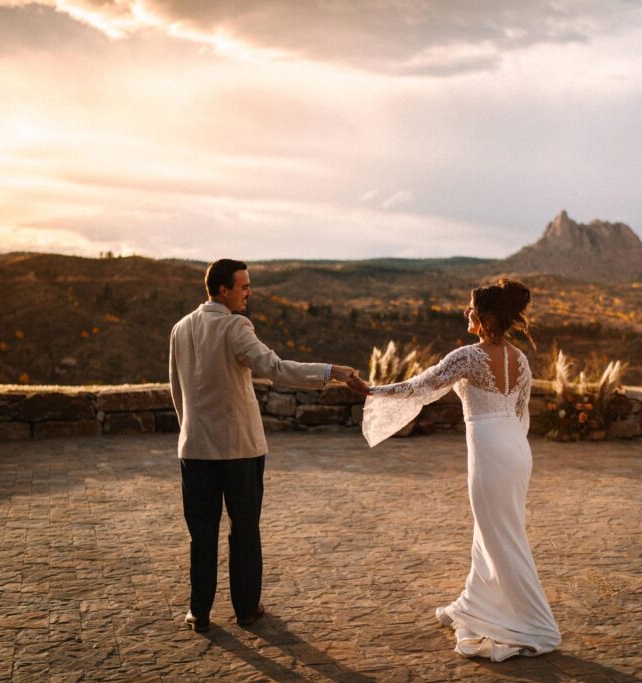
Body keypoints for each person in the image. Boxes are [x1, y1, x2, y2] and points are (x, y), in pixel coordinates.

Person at [361, 278, 560, 661]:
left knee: (503, 537)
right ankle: (472, 604)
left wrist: (371, 391)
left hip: (489, 450)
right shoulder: (519, 359)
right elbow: (521, 413)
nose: (464, 313)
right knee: (492, 531)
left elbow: (420, 386)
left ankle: (538, 624)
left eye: (470, 309)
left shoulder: (468, 356)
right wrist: (512, 449)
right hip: (516, 450)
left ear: (485, 317)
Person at [169, 258, 366, 632]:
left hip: (193, 448)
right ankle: (245, 609)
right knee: (244, 529)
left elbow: (176, 391)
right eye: (244, 286)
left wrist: (190, 432)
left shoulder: (180, 328)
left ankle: (199, 612)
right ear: (223, 290)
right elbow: (274, 367)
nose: (249, 293)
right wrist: (332, 372)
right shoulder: (234, 325)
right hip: (239, 449)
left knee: (201, 532)